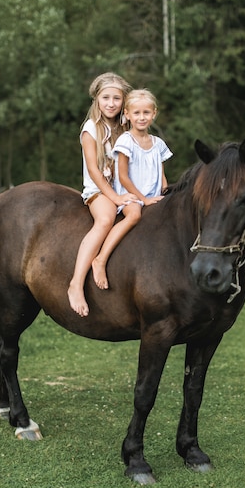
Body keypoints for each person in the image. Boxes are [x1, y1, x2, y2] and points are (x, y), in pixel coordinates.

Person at [67, 72, 138, 318]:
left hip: (121, 187)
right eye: (105, 97)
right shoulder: (91, 129)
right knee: (106, 219)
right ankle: (76, 284)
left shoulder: (123, 127)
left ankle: (116, 263)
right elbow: (95, 171)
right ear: (96, 99)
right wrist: (116, 198)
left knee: (139, 214)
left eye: (117, 98)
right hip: (99, 190)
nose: (111, 103)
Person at [91, 88, 173, 291]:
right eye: (136, 113)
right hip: (132, 196)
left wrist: (165, 192)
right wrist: (143, 200)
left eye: (146, 113)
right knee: (135, 215)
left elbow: (161, 174)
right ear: (127, 115)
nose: (142, 117)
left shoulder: (158, 144)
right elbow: (123, 177)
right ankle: (100, 259)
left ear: (154, 114)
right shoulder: (126, 141)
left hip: (153, 196)